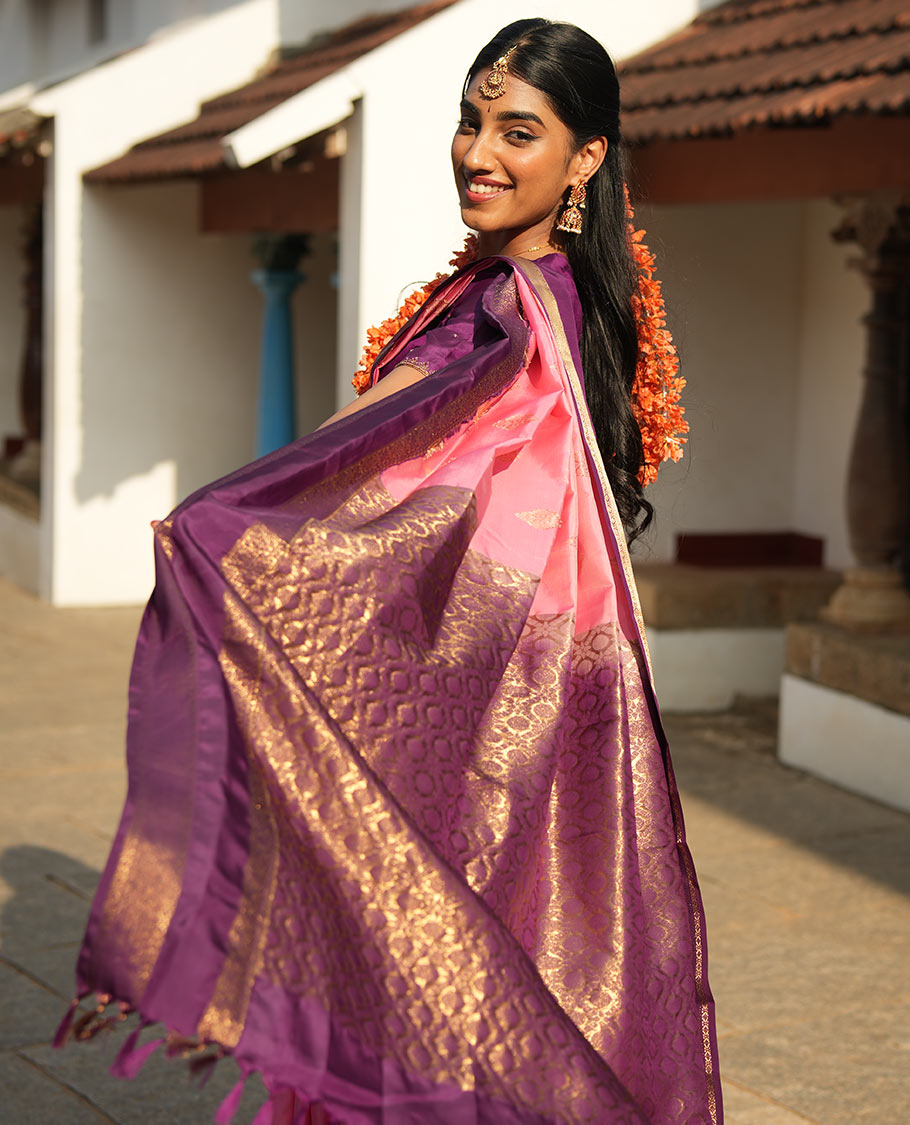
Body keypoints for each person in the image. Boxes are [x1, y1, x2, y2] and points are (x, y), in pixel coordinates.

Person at [59, 19, 721, 1125]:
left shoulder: (509, 317)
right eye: (471, 122)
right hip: (537, 705)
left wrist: (225, 534)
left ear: (586, 158)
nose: (479, 152)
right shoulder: (530, 297)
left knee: (446, 973)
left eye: (519, 131)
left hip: (499, 713)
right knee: (508, 965)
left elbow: (378, 480)